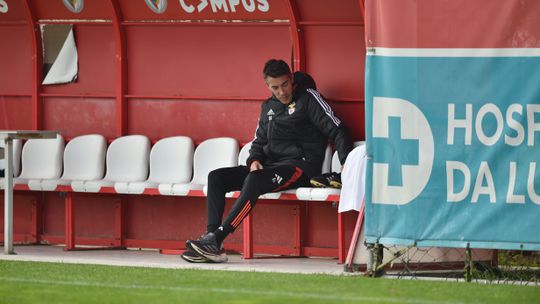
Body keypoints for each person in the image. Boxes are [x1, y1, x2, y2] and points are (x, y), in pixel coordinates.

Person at [182, 59, 353, 263]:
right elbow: (259, 141)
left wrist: (346, 163)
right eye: (275, 87)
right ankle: (211, 239)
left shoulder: (309, 98)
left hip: (300, 167)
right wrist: (254, 160)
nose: (281, 92)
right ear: (267, 86)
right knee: (216, 177)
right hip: (270, 167)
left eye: (285, 85)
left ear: (291, 80)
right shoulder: (268, 107)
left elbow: (338, 129)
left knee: (254, 181)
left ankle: (217, 238)